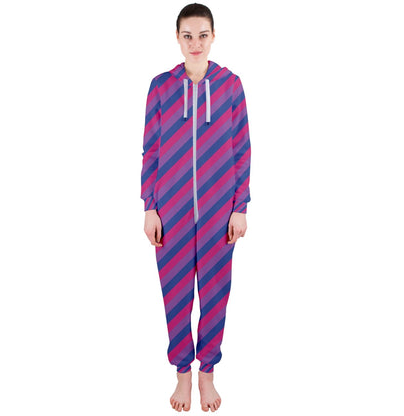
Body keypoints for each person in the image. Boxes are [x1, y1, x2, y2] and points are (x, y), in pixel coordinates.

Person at [140, 3, 251, 412]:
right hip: (170, 211)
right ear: (177, 38)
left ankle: (208, 372)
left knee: (216, 294)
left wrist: (240, 206)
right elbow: (151, 150)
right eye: (187, 35)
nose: (195, 43)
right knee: (176, 295)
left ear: (213, 36)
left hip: (220, 211)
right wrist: (150, 207)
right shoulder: (161, 87)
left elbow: (241, 148)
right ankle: (182, 373)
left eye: (203, 35)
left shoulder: (230, 85)